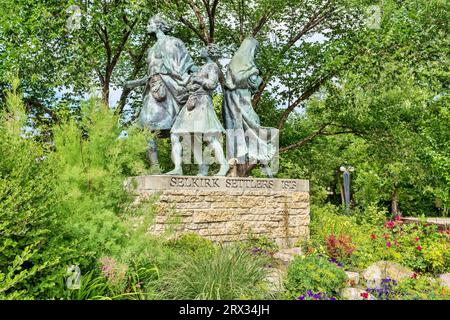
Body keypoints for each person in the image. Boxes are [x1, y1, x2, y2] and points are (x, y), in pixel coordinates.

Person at [125, 15, 197, 174]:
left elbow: (188, 63)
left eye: (149, 23)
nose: (147, 26)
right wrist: (136, 82)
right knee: (145, 126)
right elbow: (151, 72)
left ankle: (179, 167)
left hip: (170, 88)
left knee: (172, 129)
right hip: (153, 89)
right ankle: (155, 166)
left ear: (158, 25)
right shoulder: (151, 49)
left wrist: (199, 77)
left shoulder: (174, 42)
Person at [166, 46, 229, 176]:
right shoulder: (202, 67)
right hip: (192, 102)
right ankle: (179, 168)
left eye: (204, 49)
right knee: (176, 135)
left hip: (203, 103)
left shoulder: (212, 66)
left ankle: (224, 164)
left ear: (209, 52)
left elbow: (212, 84)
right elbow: (190, 85)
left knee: (208, 137)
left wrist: (196, 79)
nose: (201, 50)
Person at [222, 37, 278, 177]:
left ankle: (248, 163)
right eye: (254, 50)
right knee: (236, 132)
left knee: (254, 126)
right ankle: (233, 167)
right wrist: (253, 71)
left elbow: (253, 87)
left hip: (245, 100)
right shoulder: (237, 61)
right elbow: (236, 79)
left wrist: (256, 79)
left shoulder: (250, 64)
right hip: (235, 102)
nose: (255, 53)